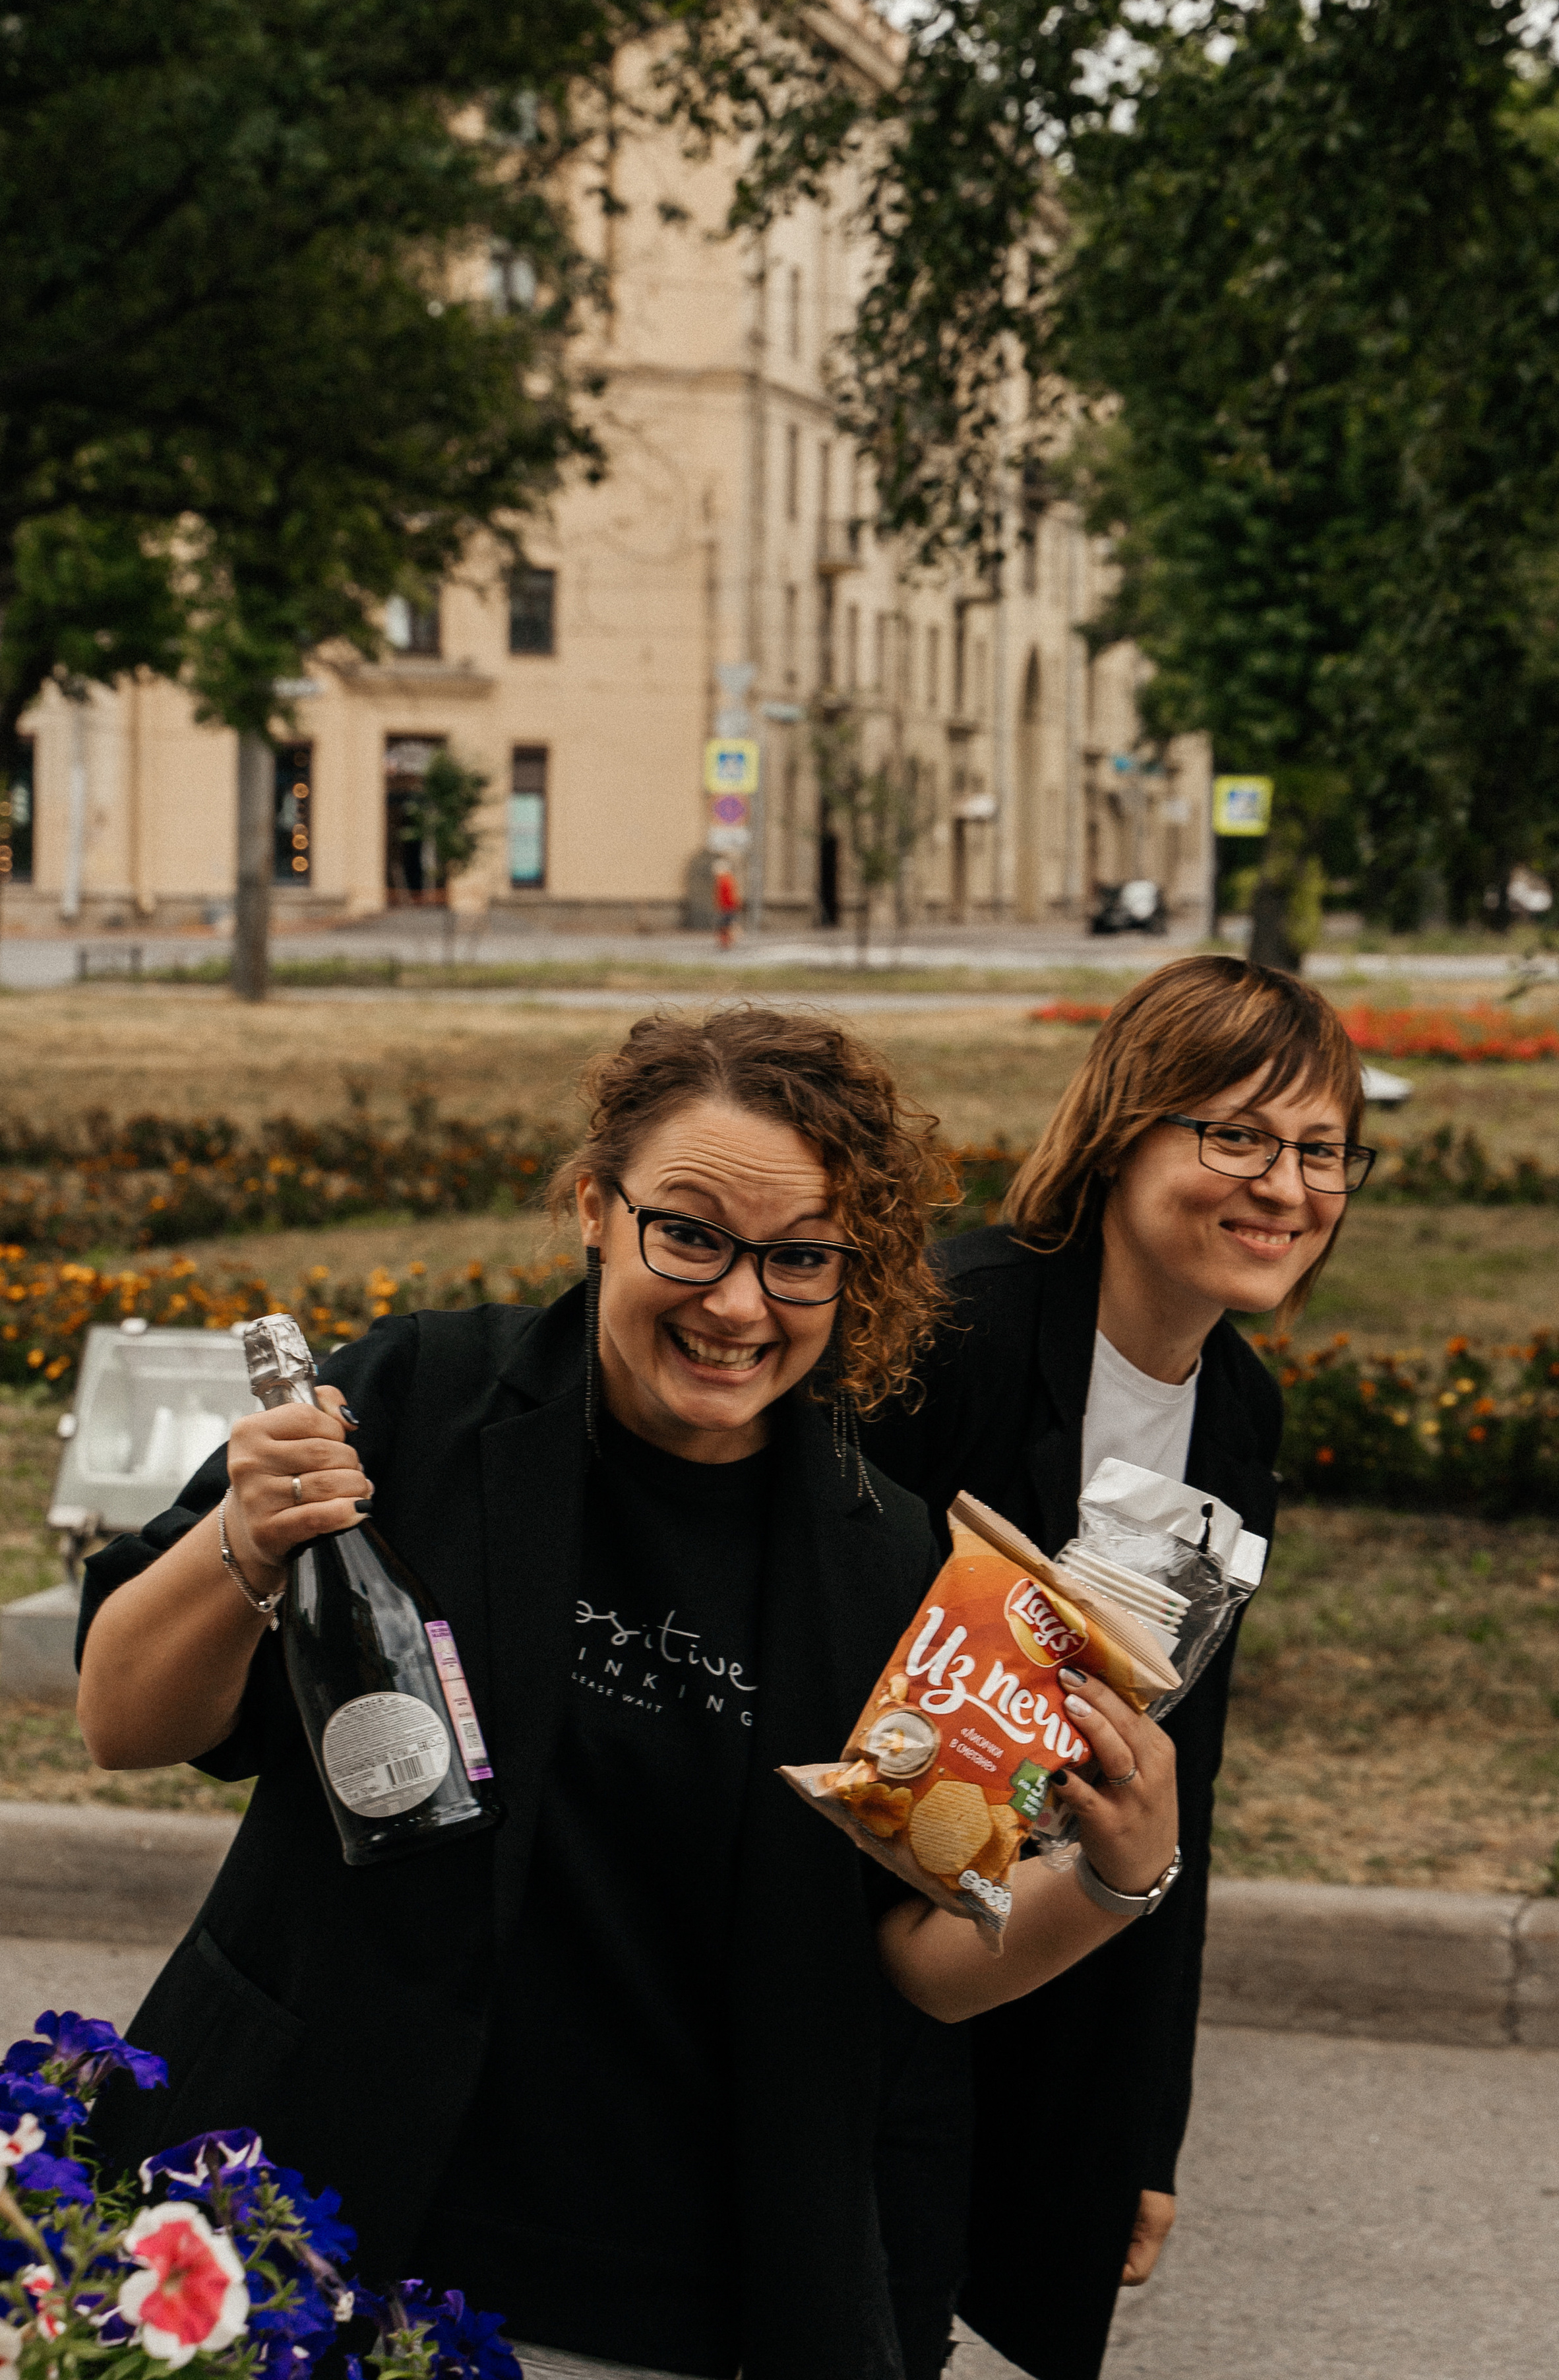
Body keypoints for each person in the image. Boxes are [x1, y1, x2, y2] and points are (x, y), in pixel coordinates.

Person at [76, 1005, 1182, 2380]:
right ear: (598, 1207)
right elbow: (124, 1720)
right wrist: (243, 1544)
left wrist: (1117, 1881)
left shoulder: (895, 1565)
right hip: (305, 2219)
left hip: (659, 2297)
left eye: (800, 1257)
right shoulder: (418, 1402)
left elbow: (916, 1959)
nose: (737, 1304)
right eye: (691, 1235)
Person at [863, 956, 1370, 2380]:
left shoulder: (1238, 1413)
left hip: (1013, 1933)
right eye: (1237, 1136)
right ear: (1119, 1131)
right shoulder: (950, 1334)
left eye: (1321, 1150)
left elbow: (1170, 1782)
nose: (1286, 1188)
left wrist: (1144, 2131)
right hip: (828, 1937)